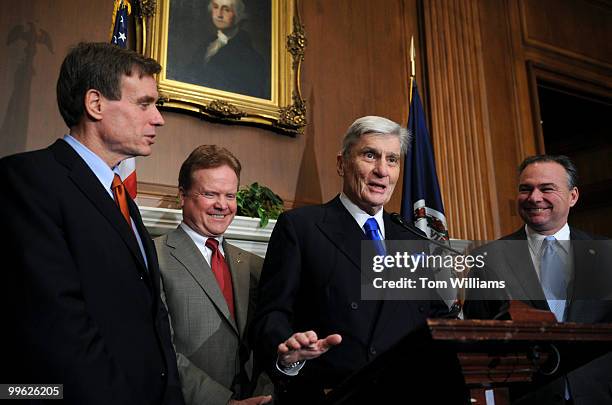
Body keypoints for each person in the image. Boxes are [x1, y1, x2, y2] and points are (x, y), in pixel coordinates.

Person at [0, 42, 184, 405]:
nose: (159, 118)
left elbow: (154, 319)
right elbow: (58, 330)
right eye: (145, 103)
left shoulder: (122, 197)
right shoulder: (28, 180)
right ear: (95, 104)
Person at [250, 116, 451, 402]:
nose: (382, 170)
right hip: (334, 396)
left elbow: (434, 318)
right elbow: (272, 314)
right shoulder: (302, 227)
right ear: (342, 163)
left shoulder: (413, 240)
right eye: (370, 155)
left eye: (392, 159)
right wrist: (289, 352)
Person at [463, 155, 612, 404]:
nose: (534, 198)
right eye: (526, 189)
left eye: (547, 188)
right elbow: (479, 341)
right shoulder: (488, 259)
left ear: (573, 196)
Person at [156, 145, 272, 405]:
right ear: (183, 194)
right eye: (210, 194)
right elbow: (157, 348)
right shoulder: (154, 257)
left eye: (230, 195)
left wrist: (264, 395)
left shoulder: (254, 264)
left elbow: (266, 341)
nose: (223, 205)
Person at [180, 0, 269, 99]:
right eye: (215, 7)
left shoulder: (251, 57)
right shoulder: (206, 45)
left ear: (239, 15)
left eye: (226, 10)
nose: (219, 15)